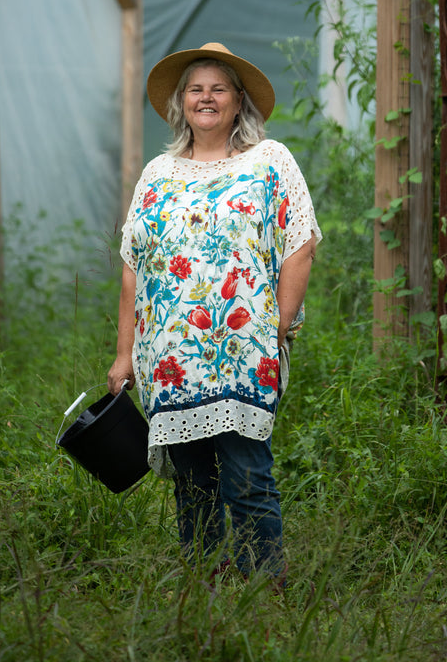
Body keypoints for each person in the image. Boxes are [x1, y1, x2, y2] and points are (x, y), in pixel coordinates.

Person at [108, 41, 321, 584]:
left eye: (218, 88)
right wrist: (123, 353)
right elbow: (134, 266)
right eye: (196, 89)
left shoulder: (269, 161)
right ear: (181, 102)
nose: (206, 97)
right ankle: (204, 588)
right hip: (170, 356)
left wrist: (277, 325)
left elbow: (301, 243)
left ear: (237, 100)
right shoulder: (157, 173)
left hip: (243, 352)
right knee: (193, 482)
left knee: (248, 476)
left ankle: (264, 588)